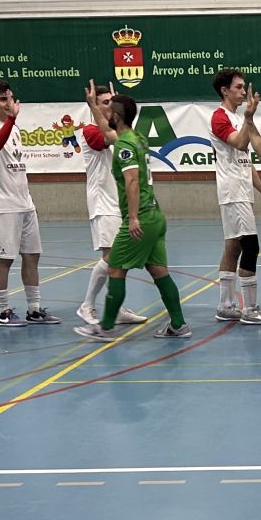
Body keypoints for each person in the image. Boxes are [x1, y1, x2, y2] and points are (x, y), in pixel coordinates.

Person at [72, 94, 192, 342]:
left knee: (116, 268)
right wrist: (93, 106)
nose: (105, 114)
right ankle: (179, 324)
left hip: (141, 218)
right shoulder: (137, 138)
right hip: (156, 215)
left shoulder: (124, 146)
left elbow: (132, 181)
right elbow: (107, 132)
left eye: (108, 111)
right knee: (159, 272)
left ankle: (106, 327)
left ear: (116, 116)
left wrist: (134, 218)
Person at [0, 78, 57, 326]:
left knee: (32, 256)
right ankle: (2, 311)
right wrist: (11, 120)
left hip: (25, 204)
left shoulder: (15, 128)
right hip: (3, 206)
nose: (8, 103)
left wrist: (28, 200)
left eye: (10, 98)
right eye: (2, 99)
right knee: (4, 260)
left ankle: (34, 309)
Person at [208, 69, 261, 325]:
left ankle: (225, 305)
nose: (243, 91)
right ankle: (250, 309)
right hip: (232, 191)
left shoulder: (238, 118)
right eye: (238, 87)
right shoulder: (219, 117)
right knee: (250, 246)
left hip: (243, 190)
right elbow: (238, 143)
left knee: (233, 246)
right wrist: (249, 117)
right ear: (224, 90)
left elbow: (245, 160)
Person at [79, 81, 142, 326]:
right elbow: (111, 138)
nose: (111, 106)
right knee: (112, 256)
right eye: (105, 102)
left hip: (118, 204)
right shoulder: (90, 131)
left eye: (113, 102)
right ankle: (87, 306)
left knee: (119, 259)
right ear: (94, 105)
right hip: (102, 203)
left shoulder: (119, 130)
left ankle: (115, 307)